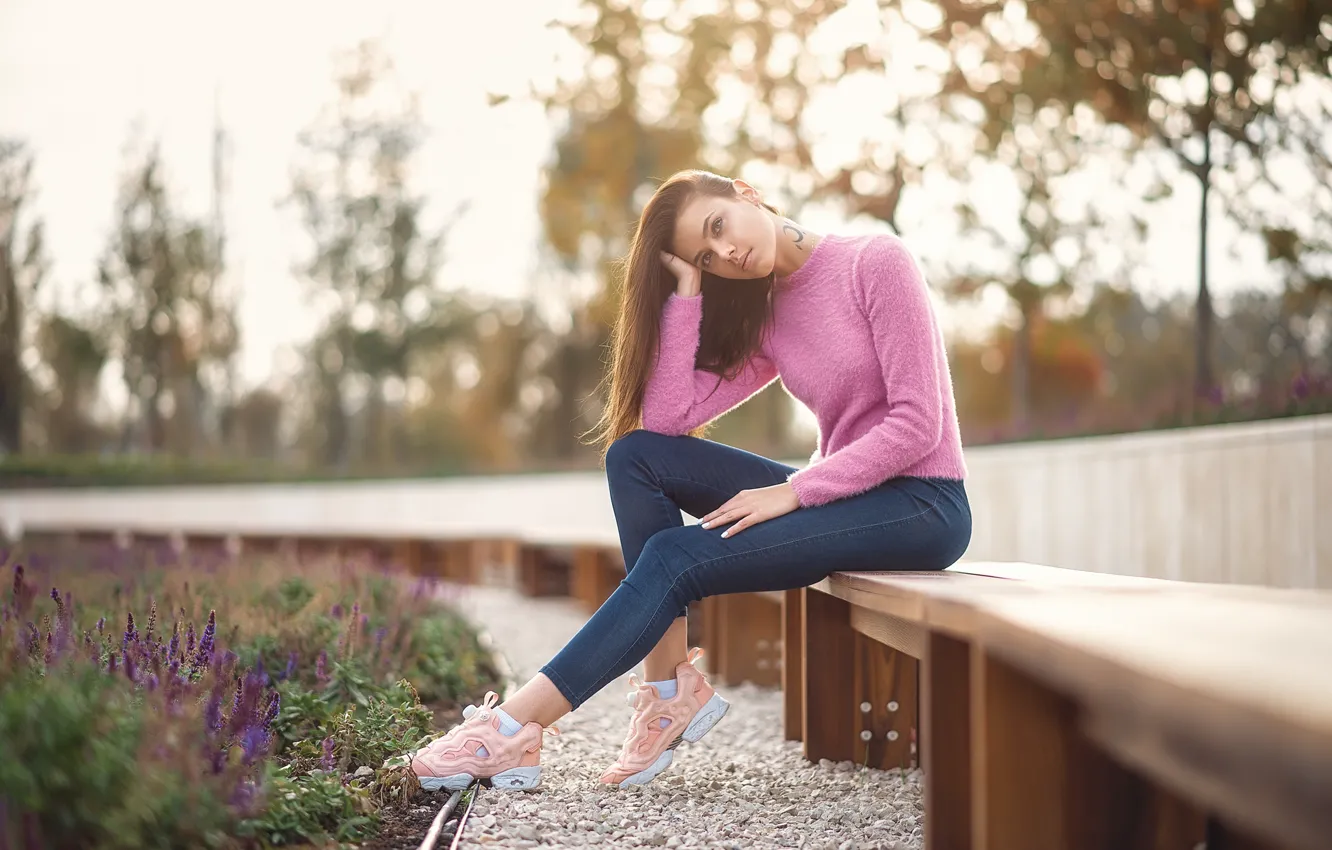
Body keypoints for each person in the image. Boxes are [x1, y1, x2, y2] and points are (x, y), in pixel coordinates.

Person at [402, 169, 971, 792]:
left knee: (676, 556)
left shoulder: (876, 262)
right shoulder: (768, 313)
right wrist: (687, 294)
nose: (726, 253)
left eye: (718, 226)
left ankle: (512, 727)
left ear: (745, 191)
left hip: (922, 503)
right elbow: (668, 421)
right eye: (707, 255)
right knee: (635, 457)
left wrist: (792, 492)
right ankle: (669, 689)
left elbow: (918, 423)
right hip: (841, 496)